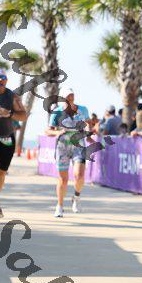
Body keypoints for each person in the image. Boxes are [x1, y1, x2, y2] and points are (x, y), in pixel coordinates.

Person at [0, 68, 27, 218]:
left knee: (1, 173)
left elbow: (23, 116)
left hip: (6, 138)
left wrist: (9, 113)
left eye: (3, 78)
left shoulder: (12, 96)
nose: (1, 80)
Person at [45, 87, 91, 218]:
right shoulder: (57, 112)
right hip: (63, 147)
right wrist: (58, 132)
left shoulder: (83, 109)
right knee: (63, 179)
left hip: (78, 145)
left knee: (79, 175)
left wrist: (88, 132)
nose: (70, 98)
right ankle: (59, 206)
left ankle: (76, 197)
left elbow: (88, 123)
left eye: (72, 95)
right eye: (67, 96)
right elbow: (48, 131)